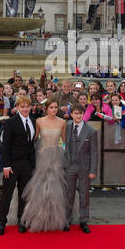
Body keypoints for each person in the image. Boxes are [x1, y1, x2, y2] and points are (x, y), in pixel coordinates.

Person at [20, 97, 68, 233]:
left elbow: (65, 141)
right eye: (51, 107)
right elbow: (33, 138)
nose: (54, 110)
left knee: (57, 187)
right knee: (38, 186)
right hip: (41, 156)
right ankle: (33, 217)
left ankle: (58, 219)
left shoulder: (62, 122)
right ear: (46, 108)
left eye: (56, 107)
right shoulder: (39, 121)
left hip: (56, 157)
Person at [0, 97, 36, 236]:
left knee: (23, 195)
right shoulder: (11, 122)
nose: (25, 109)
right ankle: (1, 222)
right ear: (17, 108)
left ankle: (22, 221)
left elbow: (31, 143)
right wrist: (5, 165)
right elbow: (5, 145)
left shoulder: (33, 121)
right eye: (22, 106)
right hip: (12, 164)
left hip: (27, 164)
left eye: (27, 106)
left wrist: (32, 163)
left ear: (31, 107)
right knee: (7, 194)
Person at [64, 103, 98, 234]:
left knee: (84, 195)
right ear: (71, 114)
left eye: (80, 113)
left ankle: (83, 220)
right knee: (68, 194)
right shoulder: (66, 127)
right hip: (69, 165)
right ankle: (66, 220)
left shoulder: (91, 131)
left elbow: (94, 152)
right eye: (75, 113)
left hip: (84, 167)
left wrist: (93, 170)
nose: (78, 116)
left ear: (83, 114)